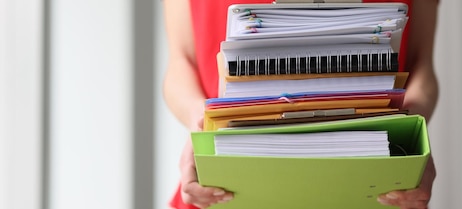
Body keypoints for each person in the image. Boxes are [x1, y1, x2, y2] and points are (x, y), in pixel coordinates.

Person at [162, 0, 439, 208]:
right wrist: (198, 119)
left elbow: (421, 62)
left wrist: (414, 133)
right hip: (224, 185)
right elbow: (180, 62)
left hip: (371, 185)